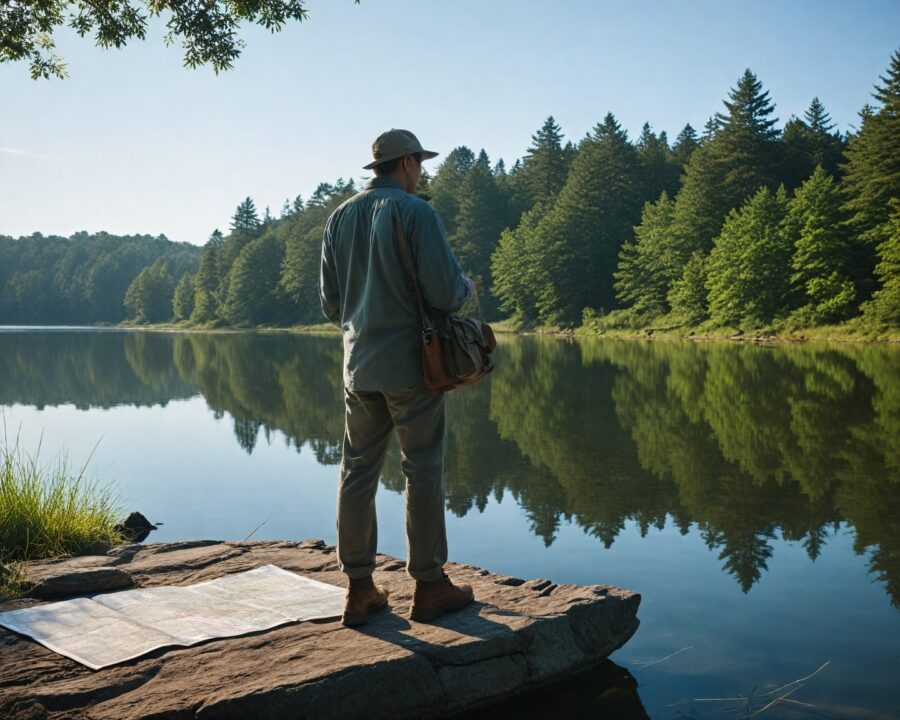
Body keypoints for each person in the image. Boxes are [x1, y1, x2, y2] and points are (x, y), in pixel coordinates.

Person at [319, 129, 476, 627]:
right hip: (413, 366)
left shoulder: (339, 217)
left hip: (359, 366)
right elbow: (447, 294)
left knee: (357, 471)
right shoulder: (417, 213)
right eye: (420, 163)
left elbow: (331, 305)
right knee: (422, 469)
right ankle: (429, 586)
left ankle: (359, 589)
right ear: (407, 163)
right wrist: (467, 286)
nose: (422, 172)